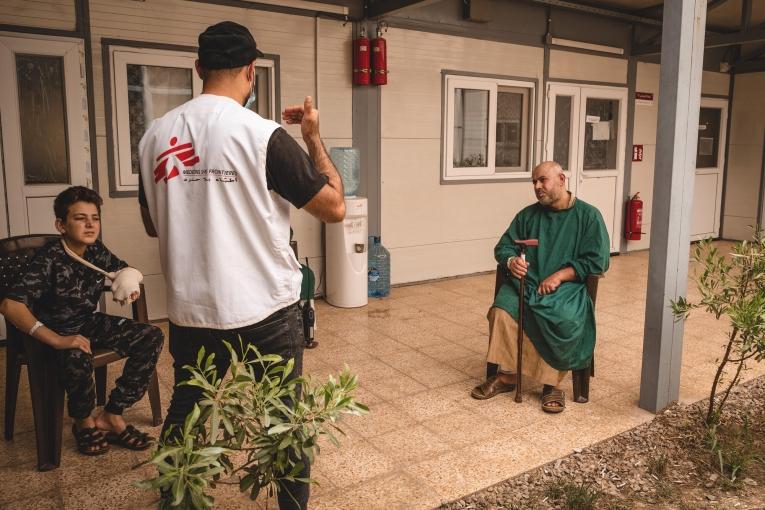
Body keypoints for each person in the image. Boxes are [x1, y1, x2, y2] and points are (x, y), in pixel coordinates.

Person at [137, 21, 345, 510]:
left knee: (187, 412)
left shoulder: (154, 136)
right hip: (265, 310)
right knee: (283, 419)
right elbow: (334, 207)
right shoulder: (264, 136)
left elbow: (152, 224)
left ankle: (176, 501)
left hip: (190, 309)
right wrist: (313, 137)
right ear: (251, 72)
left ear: (198, 68)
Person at [0, 186, 163, 455]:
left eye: (95, 218)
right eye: (79, 218)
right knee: (76, 351)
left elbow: (122, 269)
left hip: (85, 321)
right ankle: (83, 422)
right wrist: (58, 339)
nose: (90, 224)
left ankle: (112, 414)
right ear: (61, 225)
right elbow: (10, 304)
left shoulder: (95, 250)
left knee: (151, 336)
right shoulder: (49, 258)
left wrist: (128, 279)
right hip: (52, 332)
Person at [470, 161, 610, 413]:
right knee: (502, 311)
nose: (536, 186)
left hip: (567, 288)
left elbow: (598, 260)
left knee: (562, 318)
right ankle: (509, 376)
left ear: (562, 179)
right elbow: (503, 246)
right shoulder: (527, 215)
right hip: (528, 284)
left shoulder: (588, 216)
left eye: (542, 180)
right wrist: (512, 261)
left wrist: (561, 275)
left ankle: (551, 383)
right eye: (534, 182)